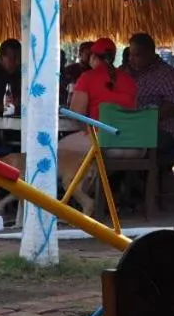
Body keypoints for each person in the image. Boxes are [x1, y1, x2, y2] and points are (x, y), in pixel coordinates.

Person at [59, 38, 139, 209]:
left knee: (57, 150)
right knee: (88, 152)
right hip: (136, 145)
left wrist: (86, 129)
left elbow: (76, 114)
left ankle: (77, 200)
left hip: (106, 143)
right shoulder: (129, 80)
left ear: (93, 57)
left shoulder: (87, 78)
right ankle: (101, 197)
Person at [127, 32, 174, 144]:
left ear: (149, 53)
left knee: (125, 142)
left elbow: (173, 105)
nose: (131, 59)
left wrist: (146, 120)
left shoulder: (167, 74)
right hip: (132, 126)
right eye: (130, 55)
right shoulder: (130, 72)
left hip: (160, 129)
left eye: (136, 55)